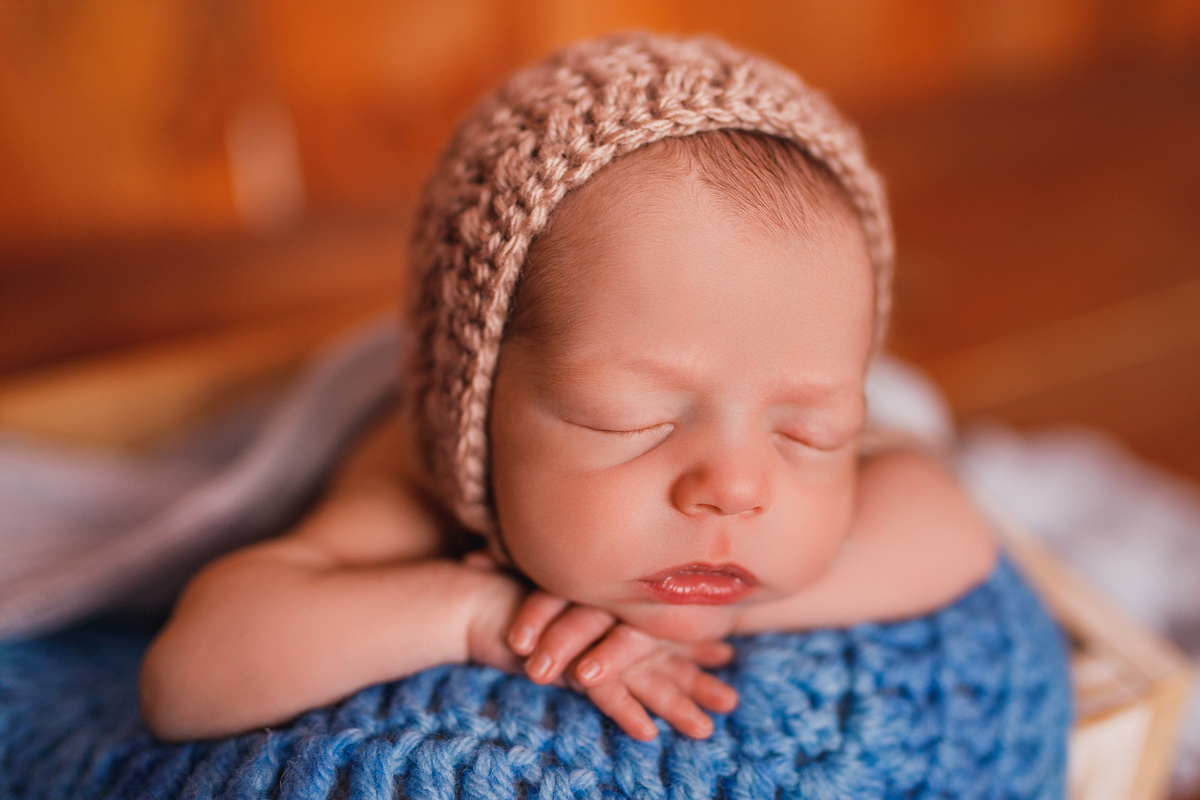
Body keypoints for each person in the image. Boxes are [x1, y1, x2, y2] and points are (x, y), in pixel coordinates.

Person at [139, 33, 997, 744]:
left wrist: (726, 616)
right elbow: (189, 679)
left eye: (810, 434)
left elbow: (954, 530)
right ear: (475, 407)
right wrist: (483, 614)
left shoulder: (790, 386)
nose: (736, 487)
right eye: (635, 420)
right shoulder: (417, 479)